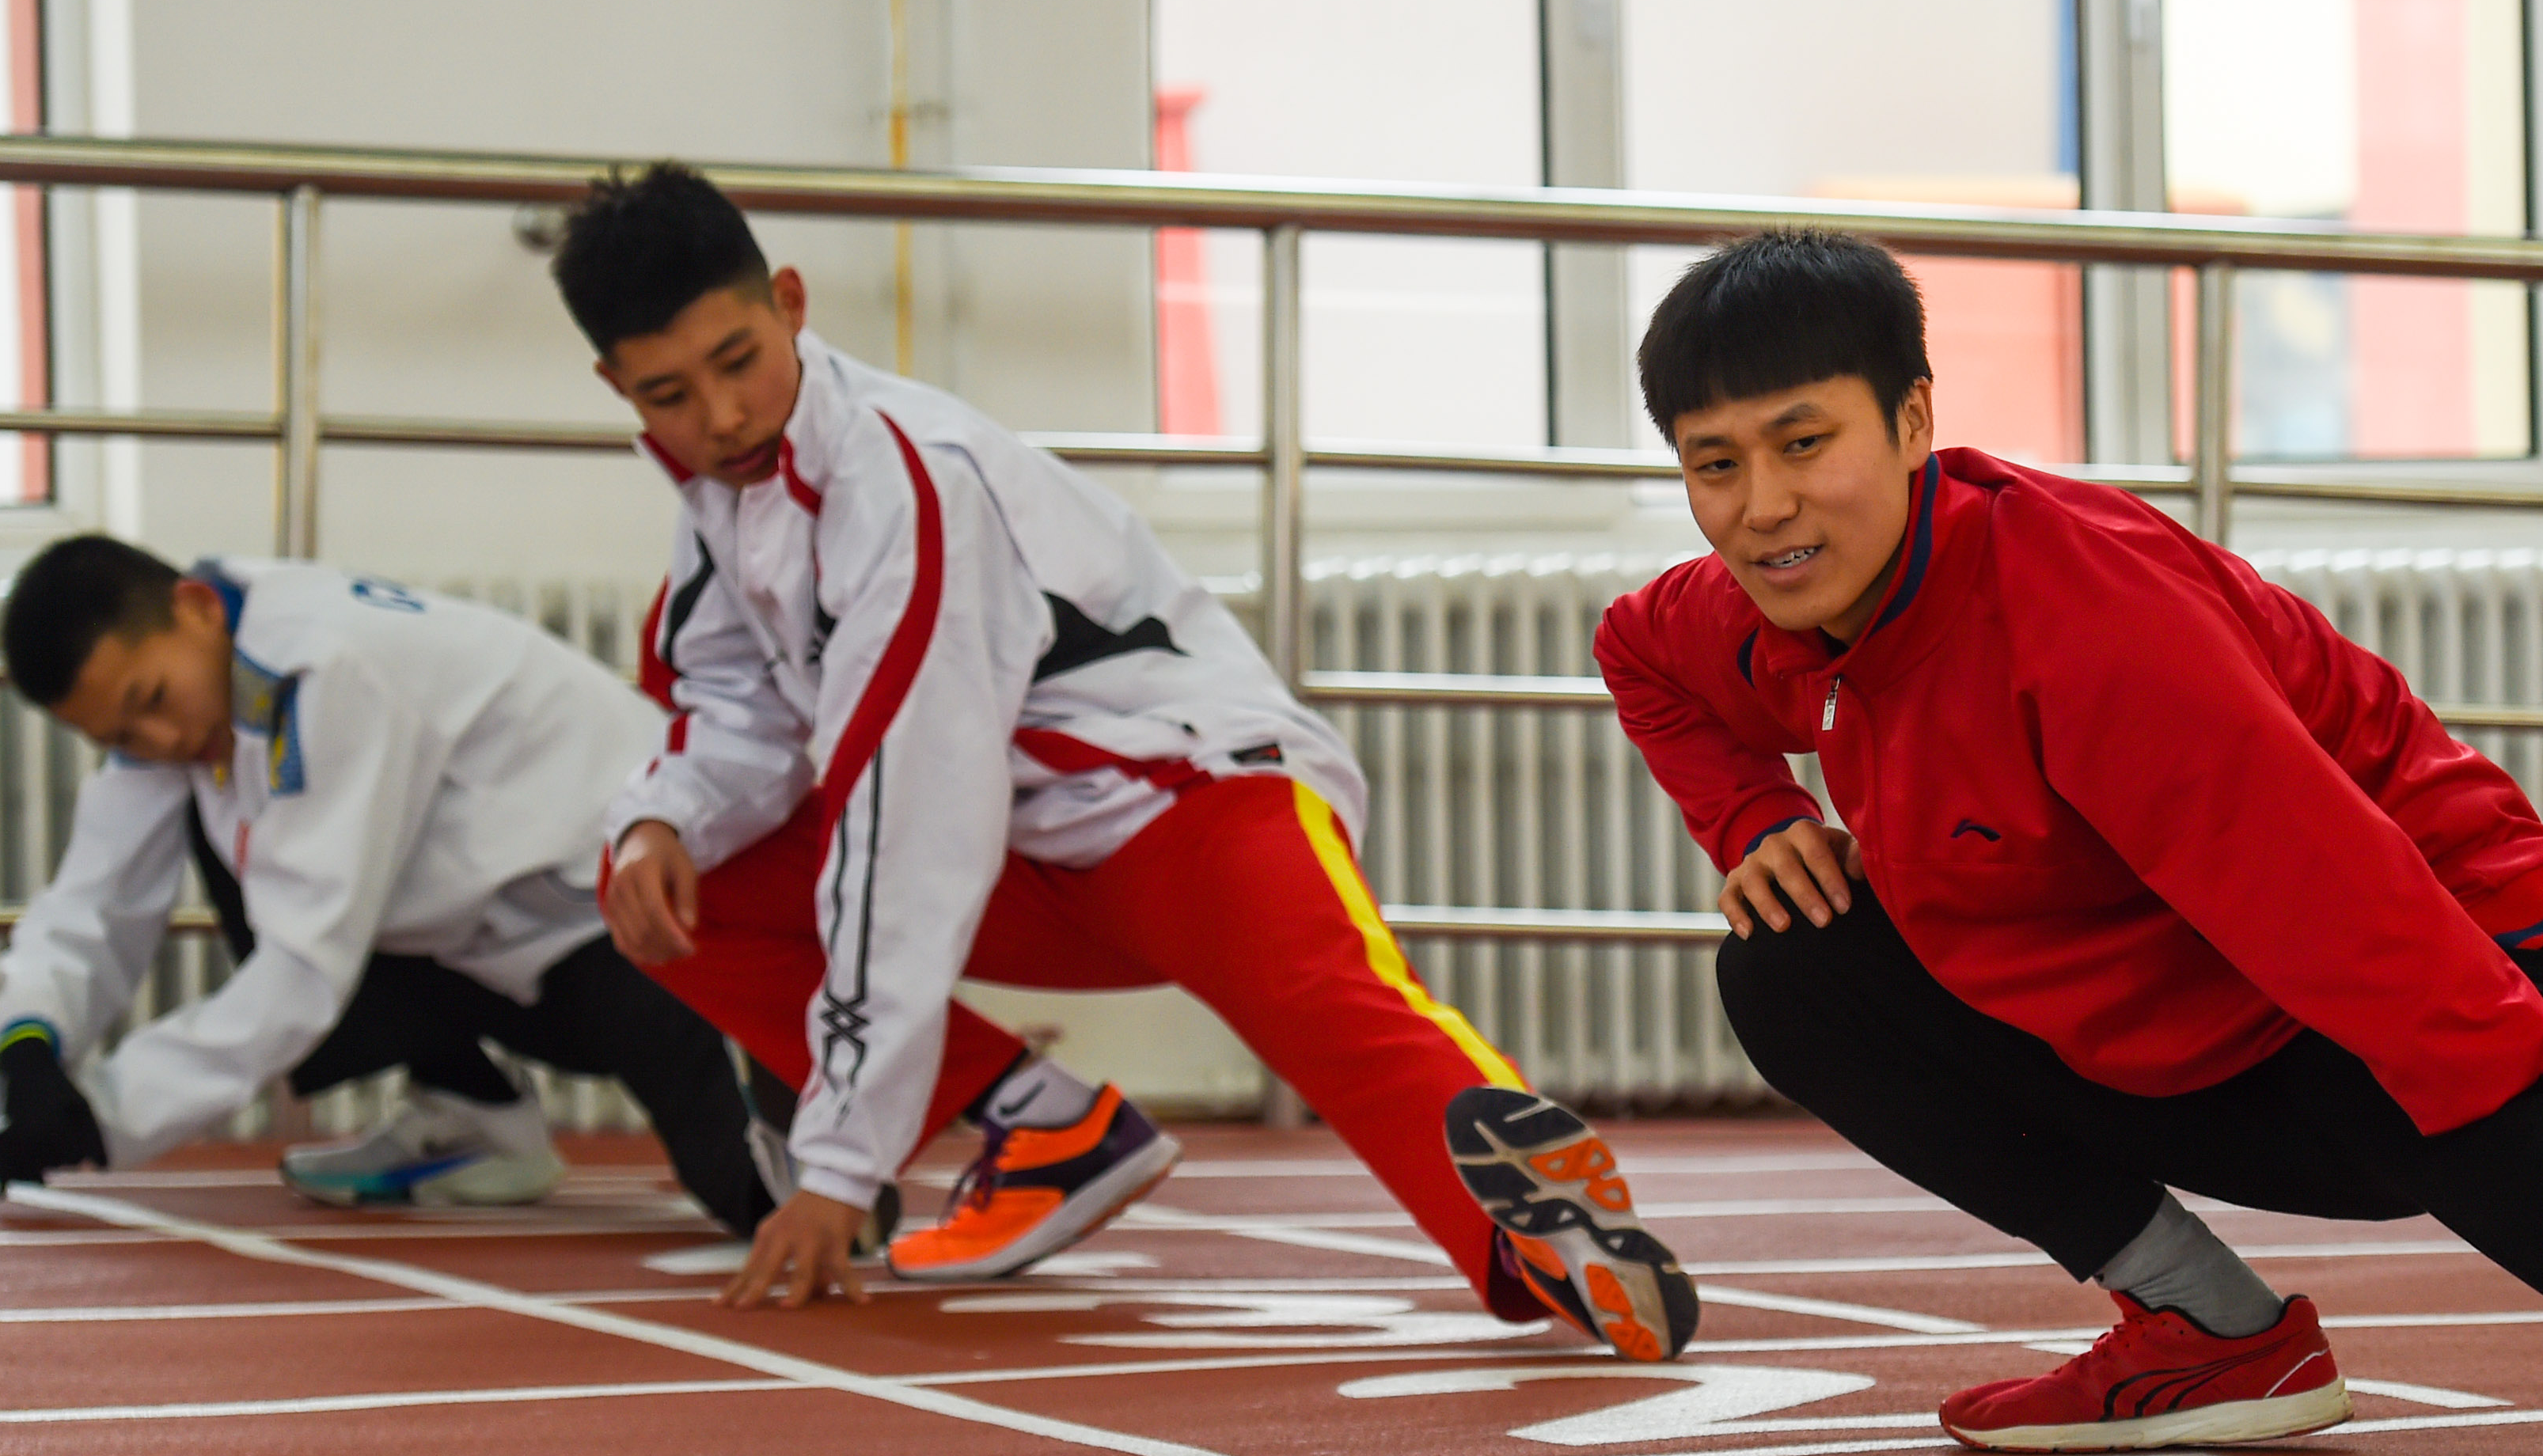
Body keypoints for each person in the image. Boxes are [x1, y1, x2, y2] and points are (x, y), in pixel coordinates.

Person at [1592, 227, 2543, 1456]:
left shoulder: (2086, 625)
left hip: (2462, 966)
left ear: (1911, 423)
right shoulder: (1764, 606)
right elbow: (1636, 651)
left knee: (2517, 1151)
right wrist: (1752, 815)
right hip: (2196, 1030)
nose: (1762, 506)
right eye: (1716, 465)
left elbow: (2339, 908)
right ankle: (2210, 1333)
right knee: (1790, 965)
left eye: (1803, 444)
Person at [551, 163, 1695, 1356]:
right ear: (617, 388)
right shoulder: (723, 516)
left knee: (1331, 1007)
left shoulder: (905, 484)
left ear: (790, 303)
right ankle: (1041, 1126)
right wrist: (663, 820)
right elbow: (738, 717)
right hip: (1028, 855)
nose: (721, 417)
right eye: (671, 394)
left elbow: (908, 818)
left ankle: (1539, 1242)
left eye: (738, 362)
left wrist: (838, 1167)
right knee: (672, 888)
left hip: (1194, 797)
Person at [0, 537, 790, 1242]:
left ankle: (810, 1117)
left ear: (197, 608)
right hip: (506, 940)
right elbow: (95, 895)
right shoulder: (204, 675)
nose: (157, 739)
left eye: (152, 703)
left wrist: (105, 1116)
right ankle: (474, 1117)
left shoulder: (322, 668)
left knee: (773, 1209)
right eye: (121, 736)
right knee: (237, 833)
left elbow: (305, 966)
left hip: (645, 918)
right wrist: (29, 1040)